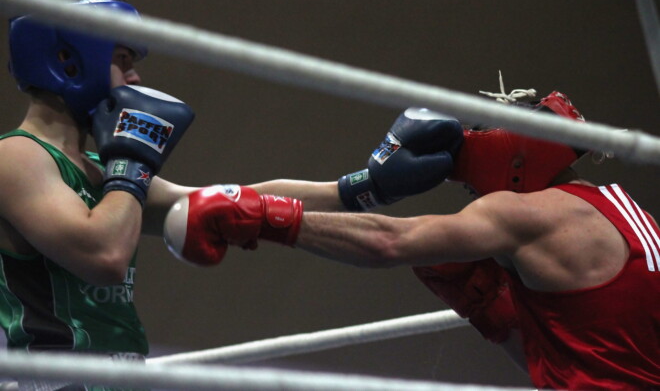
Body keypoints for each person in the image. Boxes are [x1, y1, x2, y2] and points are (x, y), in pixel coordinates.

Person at [0, 0, 464, 390]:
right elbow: (102, 256)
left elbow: (224, 202)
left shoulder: (101, 167)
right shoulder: (16, 157)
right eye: (121, 61)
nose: (137, 78)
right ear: (68, 59)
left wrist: (363, 188)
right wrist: (132, 162)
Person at [166, 89, 660, 390]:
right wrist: (494, 315)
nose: (470, 192)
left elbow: (390, 242)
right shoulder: (627, 214)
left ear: (513, 160)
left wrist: (265, 219)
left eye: (470, 180)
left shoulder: (521, 213)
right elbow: (589, 365)